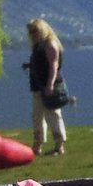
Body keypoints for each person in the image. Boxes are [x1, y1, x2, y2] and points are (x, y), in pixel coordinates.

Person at [25, 17, 67, 155]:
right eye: (30, 32)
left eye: (34, 31)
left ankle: (59, 144)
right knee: (37, 116)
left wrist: (50, 84)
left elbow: (53, 65)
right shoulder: (38, 46)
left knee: (53, 114)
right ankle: (38, 144)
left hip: (49, 86)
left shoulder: (50, 44)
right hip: (38, 87)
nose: (32, 34)